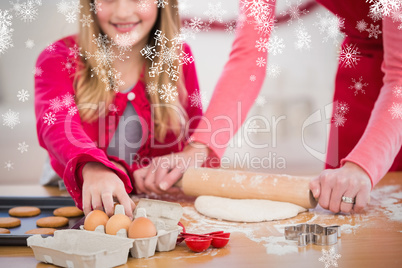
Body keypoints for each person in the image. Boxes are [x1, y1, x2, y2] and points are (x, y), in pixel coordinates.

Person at [133, 0, 402, 213]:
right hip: (362, 65)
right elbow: (250, 56)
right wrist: (200, 147)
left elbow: (399, 76)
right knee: (340, 204)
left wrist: (362, 166)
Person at [35, 0, 202, 218]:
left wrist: (182, 162)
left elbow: (197, 138)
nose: (123, 12)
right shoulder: (58, 58)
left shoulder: (179, 58)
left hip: (152, 204)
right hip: (70, 198)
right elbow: (55, 124)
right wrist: (93, 166)